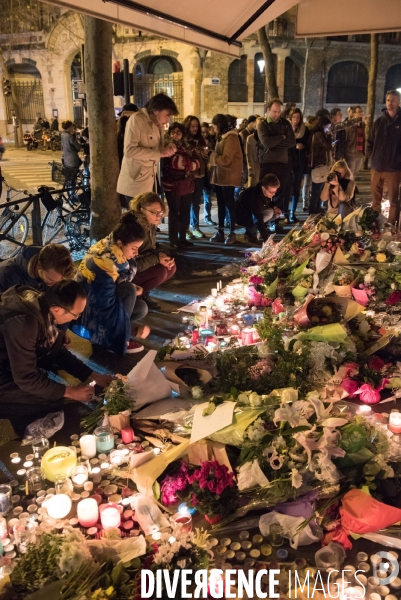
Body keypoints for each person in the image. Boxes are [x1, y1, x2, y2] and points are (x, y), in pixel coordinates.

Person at [0, 280, 113, 420]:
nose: (76, 318)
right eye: (75, 314)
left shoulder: (43, 305)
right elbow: (26, 378)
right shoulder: (25, 324)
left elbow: (59, 352)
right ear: (57, 309)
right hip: (4, 370)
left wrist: (94, 375)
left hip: (10, 361)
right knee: (50, 399)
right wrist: (70, 392)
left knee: (49, 386)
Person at [73, 212, 149, 355]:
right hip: (87, 313)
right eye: (134, 248)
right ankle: (114, 341)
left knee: (141, 307)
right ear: (120, 243)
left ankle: (117, 333)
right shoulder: (107, 264)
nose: (137, 253)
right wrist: (125, 335)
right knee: (128, 291)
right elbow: (103, 306)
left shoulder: (110, 246)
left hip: (96, 301)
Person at [117, 93, 178, 204]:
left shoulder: (158, 124)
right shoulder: (137, 120)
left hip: (150, 180)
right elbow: (130, 151)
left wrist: (168, 146)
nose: (168, 120)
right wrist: (159, 153)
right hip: (135, 183)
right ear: (156, 110)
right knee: (139, 219)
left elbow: (157, 146)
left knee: (148, 219)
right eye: (167, 115)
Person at [129, 192, 176, 310]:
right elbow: (131, 262)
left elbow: (151, 248)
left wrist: (160, 254)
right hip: (128, 270)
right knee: (160, 271)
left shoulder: (150, 225)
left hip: (143, 260)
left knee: (171, 267)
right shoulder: (134, 229)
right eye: (153, 212)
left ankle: (143, 294)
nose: (158, 216)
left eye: (160, 212)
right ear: (142, 210)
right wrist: (157, 259)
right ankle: (133, 297)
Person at [256, 99, 296, 229]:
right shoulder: (262, 124)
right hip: (267, 163)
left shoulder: (285, 124)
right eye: (274, 111)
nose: (277, 114)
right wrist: (281, 137)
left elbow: (292, 142)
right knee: (265, 193)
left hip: (282, 164)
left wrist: (276, 141)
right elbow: (266, 142)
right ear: (268, 110)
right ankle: (264, 221)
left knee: (279, 194)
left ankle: (275, 221)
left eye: (279, 112)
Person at [161, 122, 200, 249]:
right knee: (174, 212)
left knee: (185, 211)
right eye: (173, 132)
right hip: (172, 185)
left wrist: (189, 165)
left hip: (186, 184)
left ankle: (182, 237)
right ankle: (173, 240)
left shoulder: (187, 147)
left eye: (178, 132)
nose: (176, 135)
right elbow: (174, 163)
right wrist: (187, 164)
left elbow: (197, 161)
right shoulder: (166, 146)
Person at [208, 113, 243, 245]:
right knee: (221, 205)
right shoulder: (222, 137)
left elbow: (226, 159)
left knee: (229, 205)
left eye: (214, 126)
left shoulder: (231, 138)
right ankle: (220, 231)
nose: (213, 128)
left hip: (228, 178)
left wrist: (212, 156)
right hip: (220, 177)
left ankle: (231, 232)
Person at [368, 90, 401, 224]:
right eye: (388, 100)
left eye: (393, 100)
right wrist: (373, 158)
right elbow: (369, 142)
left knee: (393, 200)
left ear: (398, 102)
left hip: (394, 168)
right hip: (377, 167)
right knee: (376, 199)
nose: (390, 103)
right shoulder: (378, 122)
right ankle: (375, 223)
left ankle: (392, 226)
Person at [0, 244, 74, 293]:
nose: (53, 285)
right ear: (39, 266)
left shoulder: (51, 270)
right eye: (50, 280)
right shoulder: (5, 276)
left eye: (58, 281)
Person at [236, 173, 281, 244]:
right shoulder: (254, 197)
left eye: (275, 191)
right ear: (263, 188)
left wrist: (275, 207)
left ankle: (258, 230)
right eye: (271, 192)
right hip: (242, 216)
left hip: (253, 213)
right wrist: (268, 240)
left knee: (274, 213)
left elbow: (268, 202)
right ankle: (250, 232)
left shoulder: (265, 192)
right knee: (269, 213)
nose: (273, 194)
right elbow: (258, 219)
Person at [183, 115, 209, 240]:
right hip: (189, 176)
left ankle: (195, 227)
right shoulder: (184, 140)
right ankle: (185, 228)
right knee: (186, 203)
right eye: (192, 126)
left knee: (196, 203)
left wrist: (204, 154)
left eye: (196, 126)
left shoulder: (201, 140)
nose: (194, 128)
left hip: (200, 174)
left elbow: (205, 158)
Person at [288, 108, 309, 223]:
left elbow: (308, 143)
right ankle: (285, 213)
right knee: (287, 189)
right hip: (288, 163)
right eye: (294, 117)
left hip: (300, 162)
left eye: (298, 117)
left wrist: (303, 146)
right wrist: (294, 145)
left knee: (296, 189)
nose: (296, 120)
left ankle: (292, 212)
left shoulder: (304, 130)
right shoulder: (287, 130)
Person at [309, 115, 333, 215]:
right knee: (316, 190)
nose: (328, 128)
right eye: (327, 126)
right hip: (318, 164)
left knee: (320, 189)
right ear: (323, 125)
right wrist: (330, 136)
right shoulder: (318, 135)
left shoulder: (319, 134)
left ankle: (317, 208)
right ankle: (313, 210)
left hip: (320, 163)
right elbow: (327, 146)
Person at [201, 122, 216, 226]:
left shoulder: (212, 142)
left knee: (208, 198)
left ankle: (207, 217)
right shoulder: (197, 143)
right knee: (195, 201)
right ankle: (194, 223)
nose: (204, 134)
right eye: (202, 132)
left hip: (208, 173)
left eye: (206, 132)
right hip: (199, 172)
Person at [344, 106, 366, 177]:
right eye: (359, 112)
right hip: (351, 153)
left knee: (355, 173)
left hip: (359, 153)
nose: (361, 113)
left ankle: (352, 187)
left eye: (362, 112)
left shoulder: (362, 125)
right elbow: (345, 139)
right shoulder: (349, 125)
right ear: (353, 114)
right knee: (349, 174)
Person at [116, 103, 139, 167]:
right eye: (123, 115)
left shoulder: (139, 130)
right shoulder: (119, 133)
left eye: (127, 115)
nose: (124, 116)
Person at [61, 120, 82, 186]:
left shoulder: (63, 134)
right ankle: (72, 193)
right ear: (70, 127)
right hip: (73, 160)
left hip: (66, 160)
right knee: (73, 179)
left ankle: (70, 192)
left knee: (69, 179)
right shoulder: (70, 136)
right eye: (72, 126)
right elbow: (78, 147)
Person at [239, 115, 257, 187]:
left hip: (249, 160)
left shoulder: (253, 133)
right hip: (244, 160)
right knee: (243, 178)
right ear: (251, 122)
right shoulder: (242, 133)